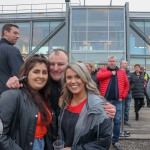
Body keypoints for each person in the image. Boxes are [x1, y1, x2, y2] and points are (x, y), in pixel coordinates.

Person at [0, 54, 52, 150]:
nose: (41, 76)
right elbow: (1, 136)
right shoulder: (12, 96)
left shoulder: (44, 97)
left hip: (42, 144)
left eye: (44, 72)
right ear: (26, 74)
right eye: (36, 72)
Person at [58, 62, 112, 150]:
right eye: (69, 77)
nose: (73, 81)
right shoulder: (65, 102)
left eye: (78, 76)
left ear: (85, 78)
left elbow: (103, 143)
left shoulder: (97, 107)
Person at [96, 56, 129, 150]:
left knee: (117, 121)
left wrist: (123, 95)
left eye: (113, 61)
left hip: (117, 101)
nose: (112, 62)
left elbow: (127, 85)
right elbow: (98, 77)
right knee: (103, 120)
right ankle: (103, 140)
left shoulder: (122, 72)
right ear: (108, 62)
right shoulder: (102, 70)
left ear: (116, 62)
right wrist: (111, 73)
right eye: (110, 61)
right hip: (105, 101)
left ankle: (115, 141)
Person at [0, 23, 24, 94]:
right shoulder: (12, 50)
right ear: (6, 33)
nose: (18, 36)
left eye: (18, 34)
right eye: (15, 33)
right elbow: (21, 74)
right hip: (7, 94)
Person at [120, 60, 131, 126]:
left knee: (127, 107)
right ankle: (119, 120)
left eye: (127, 63)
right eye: (125, 63)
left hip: (128, 93)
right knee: (120, 107)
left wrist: (130, 88)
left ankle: (125, 120)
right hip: (120, 93)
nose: (126, 64)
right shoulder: (118, 72)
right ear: (121, 64)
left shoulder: (129, 73)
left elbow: (132, 81)